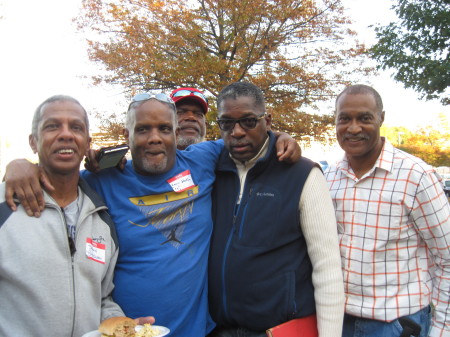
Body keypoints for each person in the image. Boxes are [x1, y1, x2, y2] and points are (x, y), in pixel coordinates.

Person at [3, 92, 300, 337]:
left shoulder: (202, 160)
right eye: (143, 129)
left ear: (176, 132)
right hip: (123, 332)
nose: (154, 138)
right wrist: (22, 166)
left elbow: (247, 134)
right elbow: (60, 177)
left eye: (164, 129)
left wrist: (279, 136)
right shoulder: (101, 180)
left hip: (197, 331)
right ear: (126, 135)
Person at [0, 95, 152, 336]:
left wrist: (121, 324)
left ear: (87, 142)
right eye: (52, 126)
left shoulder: (102, 219)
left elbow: (101, 298)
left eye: (76, 127)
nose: (66, 134)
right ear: (33, 142)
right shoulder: (5, 208)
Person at [207, 81, 344, 337]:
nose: (236, 131)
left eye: (248, 121)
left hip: (279, 331)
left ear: (267, 121)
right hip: (217, 329)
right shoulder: (209, 172)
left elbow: (327, 266)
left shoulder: (302, 174)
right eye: (226, 123)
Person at [324, 84, 450, 337]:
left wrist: (442, 329)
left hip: (397, 325)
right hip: (339, 322)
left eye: (365, 118)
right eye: (344, 118)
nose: (354, 127)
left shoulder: (416, 176)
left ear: (381, 118)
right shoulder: (329, 177)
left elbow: (446, 259)